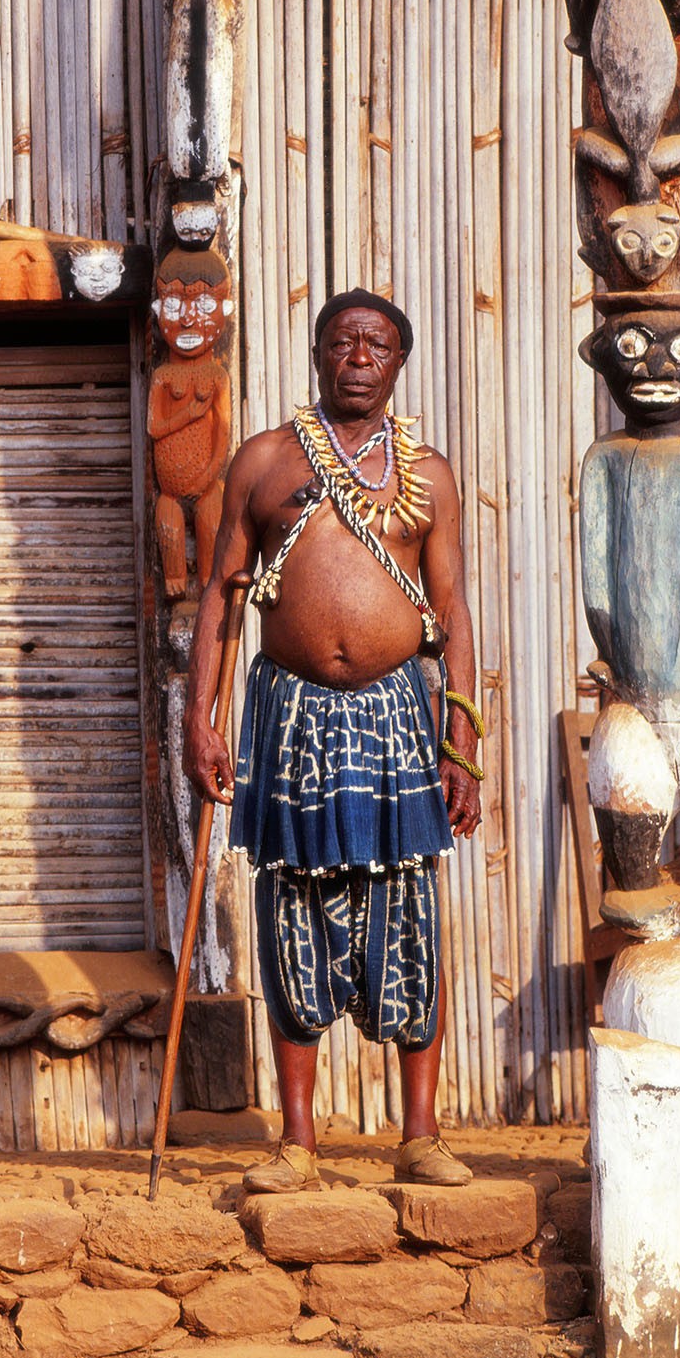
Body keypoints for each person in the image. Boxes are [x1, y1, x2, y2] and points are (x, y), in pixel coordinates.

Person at [183, 289, 483, 1191]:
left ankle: (420, 1133)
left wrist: (460, 733)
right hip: (292, 712)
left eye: (377, 344)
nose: (358, 356)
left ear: (398, 364)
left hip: (396, 710)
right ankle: (298, 1142)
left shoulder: (427, 474)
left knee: (411, 908)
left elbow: (452, 608)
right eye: (343, 341)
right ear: (316, 355)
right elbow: (221, 594)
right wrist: (201, 718)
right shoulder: (265, 464)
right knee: (292, 914)